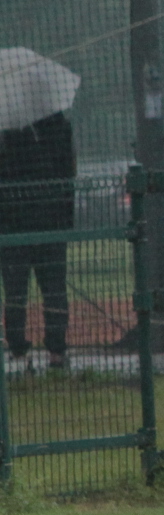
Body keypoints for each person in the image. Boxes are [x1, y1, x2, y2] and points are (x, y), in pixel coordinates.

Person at [0, 107, 75, 373]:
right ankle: (56, 352)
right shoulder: (59, 126)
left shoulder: (7, 126)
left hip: (13, 223)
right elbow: (68, 171)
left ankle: (20, 352)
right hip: (50, 221)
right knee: (53, 291)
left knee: (16, 293)